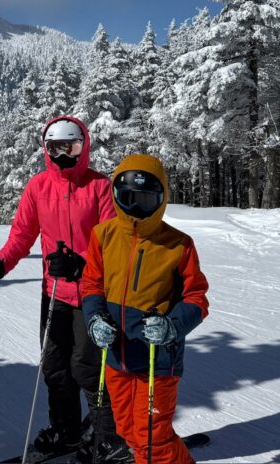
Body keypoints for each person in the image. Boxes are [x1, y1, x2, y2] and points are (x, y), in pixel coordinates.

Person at [0, 116, 127, 463]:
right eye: (54, 149)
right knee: (55, 366)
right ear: (46, 151)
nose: (62, 157)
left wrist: (81, 265)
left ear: (83, 147)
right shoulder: (38, 187)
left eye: (70, 148)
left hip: (92, 294)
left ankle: (109, 440)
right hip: (55, 292)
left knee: (87, 368)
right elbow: (22, 236)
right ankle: (68, 431)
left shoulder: (100, 187)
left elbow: (114, 246)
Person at [81, 154, 209, 464]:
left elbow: (197, 298)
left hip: (158, 359)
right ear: (116, 195)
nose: (138, 208)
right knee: (128, 431)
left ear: (162, 198)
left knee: (153, 439)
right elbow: (91, 285)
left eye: (147, 199)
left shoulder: (179, 244)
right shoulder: (103, 235)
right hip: (117, 356)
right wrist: (95, 318)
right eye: (129, 198)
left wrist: (172, 326)